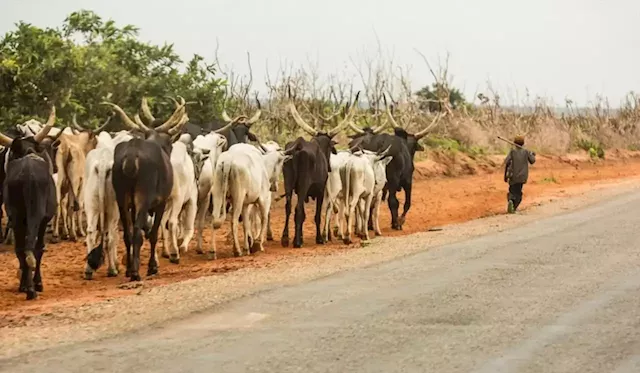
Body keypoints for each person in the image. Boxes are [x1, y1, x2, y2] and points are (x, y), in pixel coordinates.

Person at [503, 135, 536, 213]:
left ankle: (511, 200)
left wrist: (506, 175)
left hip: (513, 176)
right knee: (518, 191)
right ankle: (514, 206)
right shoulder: (526, 152)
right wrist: (532, 154)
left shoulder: (512, 152)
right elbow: (532, 161)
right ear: (523, 143)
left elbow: (506, 161)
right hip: (522, 176)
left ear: (514, 143)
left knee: (512, 190)